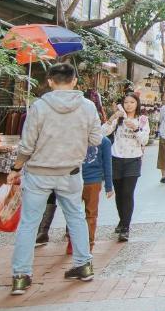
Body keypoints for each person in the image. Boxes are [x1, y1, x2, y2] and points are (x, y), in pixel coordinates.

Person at [8, 63, 103, 295]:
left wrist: (16, 167)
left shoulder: (39, 107)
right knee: (76, 218)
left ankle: (21, 276)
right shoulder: (88, 107)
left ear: (50, 81)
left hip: (39, 173)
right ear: (74, 81)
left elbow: (27, 144)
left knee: (29, 223)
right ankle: (83, 265)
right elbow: (96, 139)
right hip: (70, 171)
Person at [103, 92, 149, 242]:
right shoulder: (119, 118)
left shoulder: (142, 120)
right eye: (126, 102)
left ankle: (125, 228)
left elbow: (145, 140)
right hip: (115, 159)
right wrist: (112, 119)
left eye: (132, 102)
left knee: (128, 193)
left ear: (137, 104)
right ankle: (122, 220)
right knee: (119, 193)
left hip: (133, 160)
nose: (129, 105)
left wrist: (136, 129)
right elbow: (103, 132)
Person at [81, 134, 113, 252]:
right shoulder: (104, 140)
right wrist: (109, 186)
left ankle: (74, 242)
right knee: (91, 214)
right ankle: (89, 244)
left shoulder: (75, 136)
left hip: (76, 180)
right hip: (93, 181)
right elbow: (107, 164)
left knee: (73, 213)